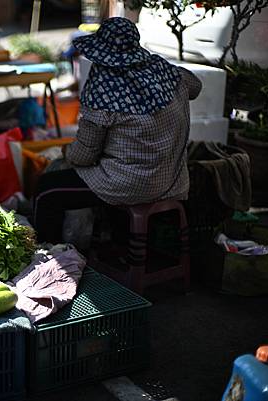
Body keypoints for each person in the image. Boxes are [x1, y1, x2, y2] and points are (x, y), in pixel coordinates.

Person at [33, 17, 202, 244]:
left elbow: (85, 155)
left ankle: (50, 256)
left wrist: (66, 153)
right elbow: (196, 86)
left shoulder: (103, 90)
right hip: (171, 180)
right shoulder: (168, 74)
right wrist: (159, 73)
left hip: (129, 184)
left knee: (47, 190)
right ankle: (115, 247)